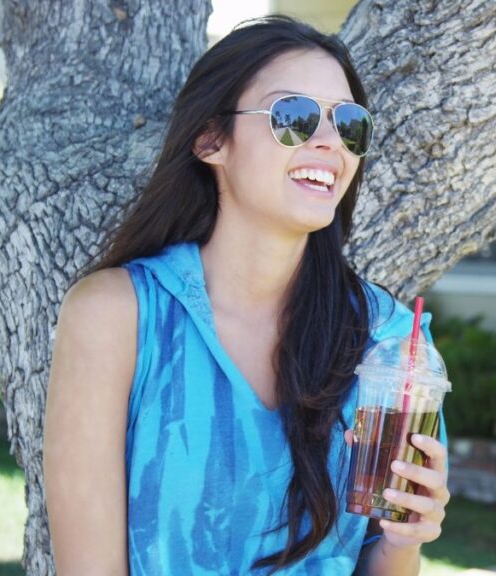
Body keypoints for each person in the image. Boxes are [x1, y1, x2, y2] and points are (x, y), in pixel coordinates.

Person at [42, 15, 450, 575]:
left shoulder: (389, 343)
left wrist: (405, 540)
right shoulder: (117, 317)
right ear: (212, 140)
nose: (330, 143)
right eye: (295, 117)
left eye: (349, 123)